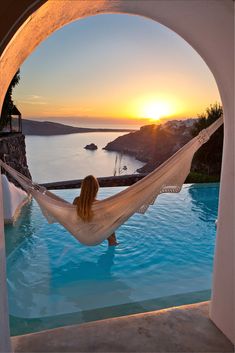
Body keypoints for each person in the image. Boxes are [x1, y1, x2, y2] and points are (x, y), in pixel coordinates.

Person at [73, 175, 118, 246]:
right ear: (96, 189)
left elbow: (73, 218)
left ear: (83, 188)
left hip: (81, 235)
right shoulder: (99, 205)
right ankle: (113, 242)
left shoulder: (76, 201)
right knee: (110, 222)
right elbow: (110, 223)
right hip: (95, 237)